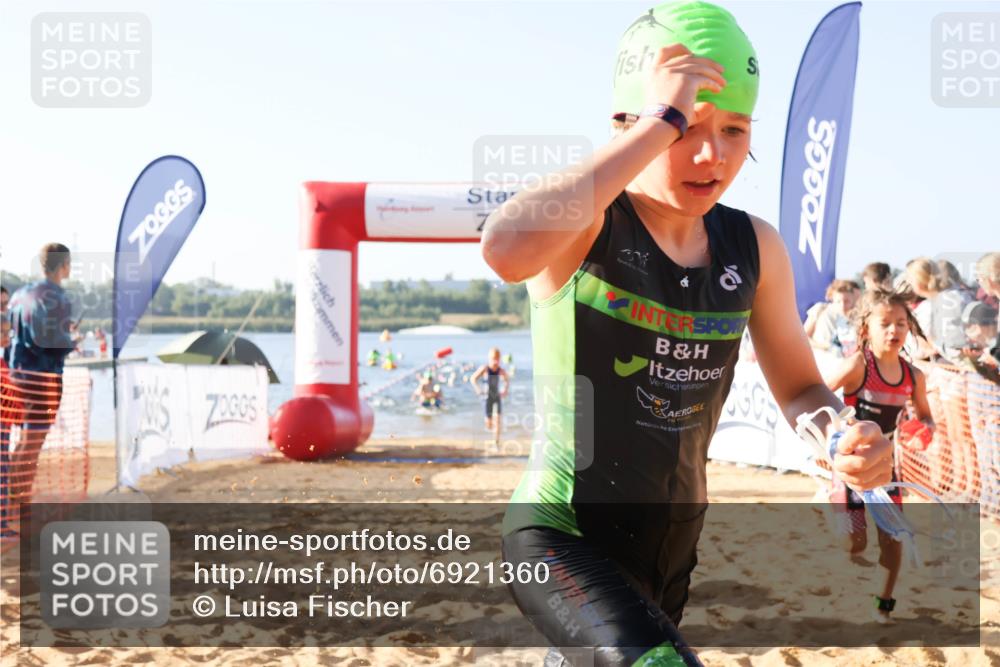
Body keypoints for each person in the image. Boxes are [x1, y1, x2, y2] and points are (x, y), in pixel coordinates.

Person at [480, 3, 893, 662]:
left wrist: (839, 433)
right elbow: (503, 247)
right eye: (686, 127)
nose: (713, 154)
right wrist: (656, 123)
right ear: (632, 121)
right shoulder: (587, 226)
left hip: (671, 550)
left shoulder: (753, 246)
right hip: (561, 534)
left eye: (735, 129)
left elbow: (802, 385)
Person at [823, 289, 934, 623]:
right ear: (865, 329)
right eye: (884, 323)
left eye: (901, 323)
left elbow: (926, 417)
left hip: (887, 469)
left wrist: (923, 429)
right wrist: (830, 438)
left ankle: (884, 605)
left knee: (894, 540)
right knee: (854, 546)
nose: (894, 330)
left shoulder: (913, 376)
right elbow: (818, 400)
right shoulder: (858, 366)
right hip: (852, 467)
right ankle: (833, 505)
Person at [5, 243, 75, 528]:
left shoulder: (21, 294)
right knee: (32, 443)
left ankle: (13, 502)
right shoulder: (56, 296)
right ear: (64, 265)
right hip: (42, 377)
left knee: (24, 442)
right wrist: (71, 343)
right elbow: (49, 340)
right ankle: (19, 506)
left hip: (15, 373)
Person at [904, 257, 971, 361]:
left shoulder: (926, 309)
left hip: (954, 365)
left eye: (911, 281)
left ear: (918, 283)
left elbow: (921, 348)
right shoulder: (959, 295)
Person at [808, 279, 860, 357]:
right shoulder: (820, 309)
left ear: (853, 301)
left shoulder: (858, 318)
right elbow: (804, 338)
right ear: (833, 299)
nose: (842, 305)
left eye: (847, 301)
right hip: (821, 361)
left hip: (845, 363)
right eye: (838, 301)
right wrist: (824, 346)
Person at [470, 347, 510, 445]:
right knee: (489, 424)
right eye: (493, 358)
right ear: (489, 358)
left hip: (496, 397)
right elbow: (473, 379)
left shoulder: (500, 370)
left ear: (499, 359)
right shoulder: (485, 369)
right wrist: (478, 389)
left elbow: (507, 380)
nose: (495, 361)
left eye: (497, 358)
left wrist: (505, 390)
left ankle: (496, 442)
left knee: (498, 421)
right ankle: (490, 425)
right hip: (487, 398)